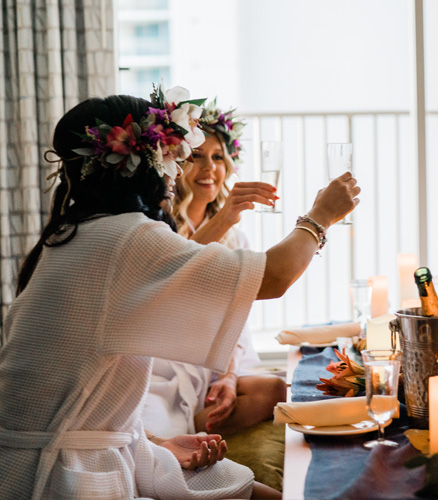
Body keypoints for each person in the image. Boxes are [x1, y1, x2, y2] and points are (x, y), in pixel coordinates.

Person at [0, 87, 359, 499]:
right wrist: (320, 216)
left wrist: (157, 442)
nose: (177, 168)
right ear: (146, 163)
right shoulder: (126, 237)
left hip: (111, 448)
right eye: (172, 154)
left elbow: (85, 400)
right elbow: (273, 277)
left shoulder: (73, 235)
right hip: (63, 474)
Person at [143, 101, 286, 439]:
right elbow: (175, 274)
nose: (209, 168)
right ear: (176, 163)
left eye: (218, 157)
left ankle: (195, 423)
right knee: (150, 413)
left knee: (274, 390)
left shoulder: (236, 237)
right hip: (168, 354)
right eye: (197, 156)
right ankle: (180, 428)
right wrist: (226, 216)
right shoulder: (158, 226)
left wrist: (229, 377)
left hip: (219, 352)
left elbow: (237, 314)